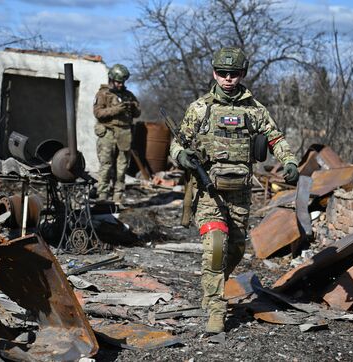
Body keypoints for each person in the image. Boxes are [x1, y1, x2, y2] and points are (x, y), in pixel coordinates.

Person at [169, 47, 299, 334]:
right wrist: (182, 157)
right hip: (208, 191)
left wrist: (289, 160)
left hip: (240, 192)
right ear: (214, 73)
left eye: (234, 74)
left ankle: (210, 284)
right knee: (216, 247)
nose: (228, 79)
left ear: (243, 74)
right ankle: (216, 309)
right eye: (222, 73)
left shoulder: (254, 109)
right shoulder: (200, 109)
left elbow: (275, 137)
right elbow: (176, 143)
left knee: (237, 248)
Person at [93, 64, 141, 203]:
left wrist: (132, 107)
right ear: (111, 79)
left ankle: (118, 197)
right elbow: (98, 113)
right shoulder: (103, 94)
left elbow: (138, 113)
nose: (120, 85)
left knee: (122, 167)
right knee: (106, 165)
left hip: (124, 133)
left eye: (122, 82)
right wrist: (116, 110)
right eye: (118, 82)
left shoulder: (128, 95)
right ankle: (102, 196)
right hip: (108, 132)